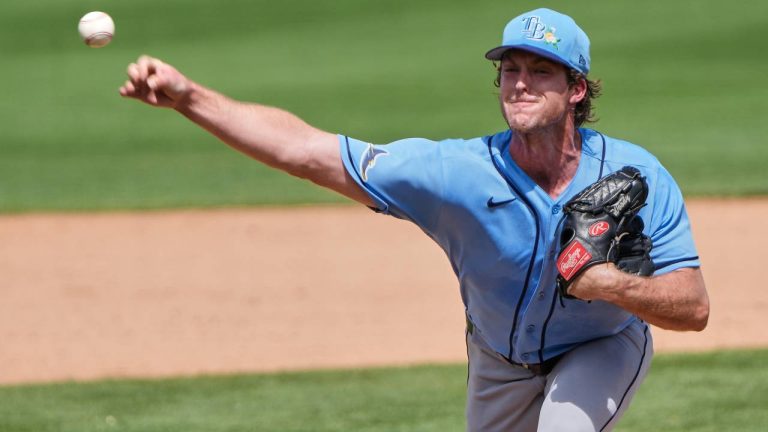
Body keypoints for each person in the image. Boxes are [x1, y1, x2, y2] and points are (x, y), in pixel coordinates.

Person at [120, 7, 709, 432]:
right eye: (511, 69)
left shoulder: (638, 175)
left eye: (542, 70)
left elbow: (694, 307)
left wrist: (611, 285)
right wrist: (188, 98)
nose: (521, 82)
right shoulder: (455, 172)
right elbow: (307, 151)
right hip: (498, 365)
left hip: (601, 347)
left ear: (577, 89)